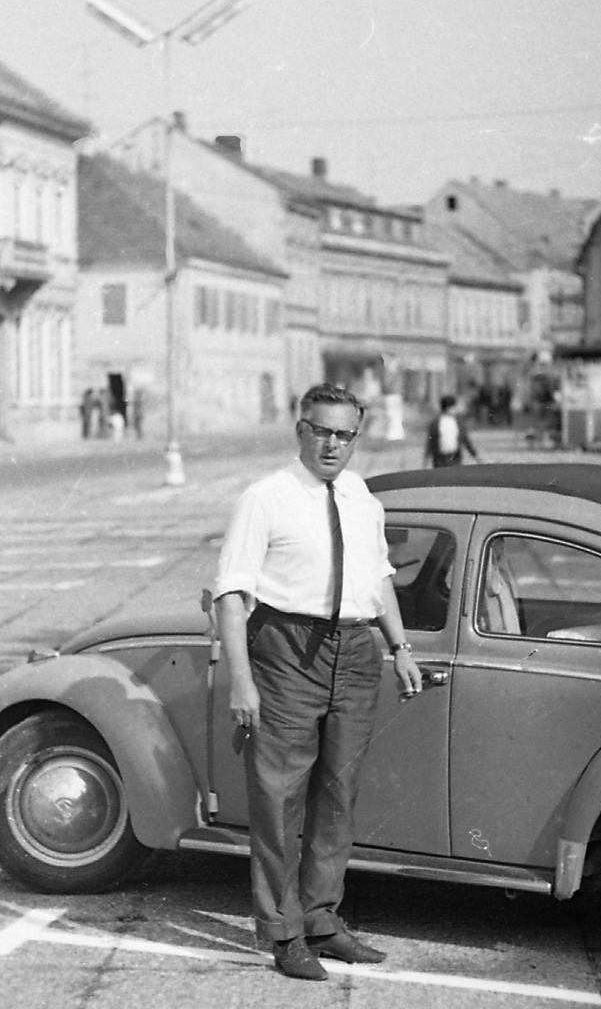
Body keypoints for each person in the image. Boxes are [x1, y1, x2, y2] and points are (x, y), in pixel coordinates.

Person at [213, 382, 422, 982]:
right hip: (285, 652)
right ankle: (283, 935)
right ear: (300, 430)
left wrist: (399, 647)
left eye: (345, 434)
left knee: (338, 795)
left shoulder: (361, 497)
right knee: (279, 800)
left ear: (358, 437)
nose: (333, 445)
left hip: (355, 652)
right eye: (322, 431)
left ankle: (323, 920)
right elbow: (232, 596)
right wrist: (242, 683)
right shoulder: (266, 498)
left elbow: (378, 578)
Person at [425, 394, 480, 467]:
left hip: (455, 458)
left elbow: (465, 440)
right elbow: (430, 442)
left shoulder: (458, 423)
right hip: (440, 459)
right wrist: (426, 459)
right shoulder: (435, 423)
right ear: (448, 408)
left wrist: (475, 455)